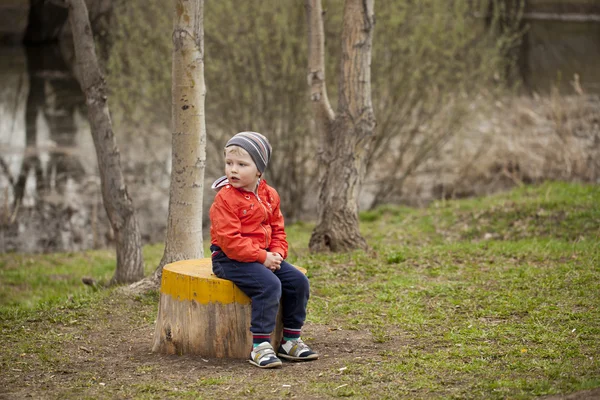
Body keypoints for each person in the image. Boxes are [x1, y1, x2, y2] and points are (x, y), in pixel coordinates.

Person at [209, 131, 318, 369]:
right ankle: (260, 346)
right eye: (229, 163)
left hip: (263, 256)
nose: (233, 170)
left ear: (259, 169)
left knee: (298, 282)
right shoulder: (225, 199)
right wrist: (262, 257)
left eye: (242, 164)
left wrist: (277, 252)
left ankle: (290, 340)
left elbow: (278, 228)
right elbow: (230, 241)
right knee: (269, 285)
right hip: (229, 259)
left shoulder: (269, 195)